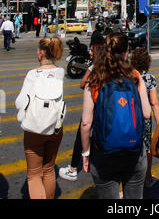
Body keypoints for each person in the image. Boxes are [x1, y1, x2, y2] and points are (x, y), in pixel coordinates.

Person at [81, 32, 151, 199]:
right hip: (134, 152)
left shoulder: (95, 77)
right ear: (126, 52)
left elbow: (86, 123)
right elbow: (147, 114)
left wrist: (85, 153)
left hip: (104, 153)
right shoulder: (134, 76)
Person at [15, 37, 64, 199]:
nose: (37, 52)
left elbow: (20, 102)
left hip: (35, 129)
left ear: (42, 53)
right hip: (55, 128)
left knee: (34, 175)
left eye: (38, 50)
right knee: (49, 170)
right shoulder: (60, 72)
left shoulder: (32, 74)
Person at [59, 32, 105, 182]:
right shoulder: (113, 65)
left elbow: (81, 84)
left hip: (92, 107)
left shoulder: (94, 66)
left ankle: (73, 169)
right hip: (107, 111)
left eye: (92, 49)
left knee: (81, 134)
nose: (90, 51)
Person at [130, 47, 159, 187]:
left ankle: (130, 178)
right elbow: (154, 103)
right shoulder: (149, 79)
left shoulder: (128, 77)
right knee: (146, 148)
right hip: (145, 120)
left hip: (130, 118)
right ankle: (147, 178)